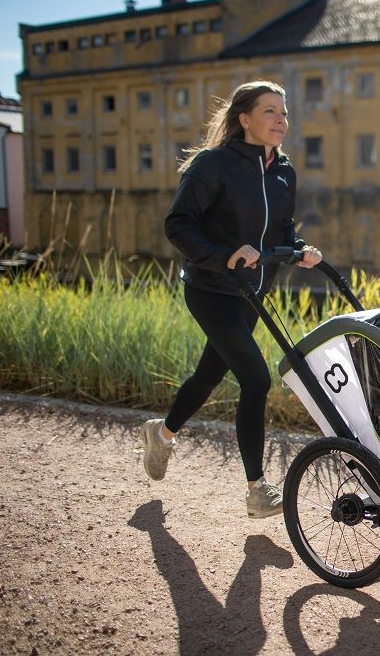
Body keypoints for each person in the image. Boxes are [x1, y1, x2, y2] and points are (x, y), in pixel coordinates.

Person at [140, 80, 323, 519]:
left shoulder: (284, 171)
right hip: (210, 289)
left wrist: (300, 250)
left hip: (252, 292)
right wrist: (225, 255)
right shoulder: (213, 165)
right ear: (244, 119)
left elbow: (281, 230)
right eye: (269, 112)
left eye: (284, 112)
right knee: (256, 379)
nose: (281, 120)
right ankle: (257, 490)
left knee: (207, 374)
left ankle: (161, 435)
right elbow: (179, 225)